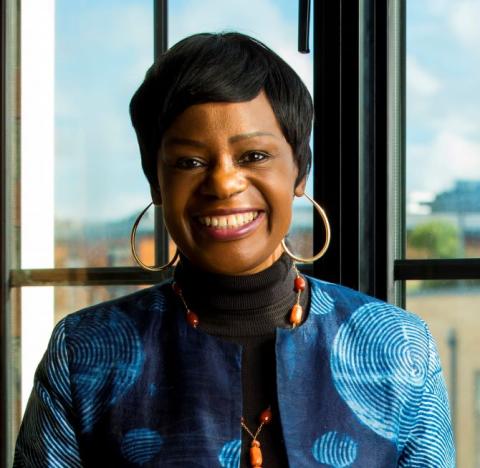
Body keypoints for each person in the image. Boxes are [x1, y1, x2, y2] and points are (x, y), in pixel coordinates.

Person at [14, 32, 454, 467]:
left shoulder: (396, 348)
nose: (223, 183)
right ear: (156, 182)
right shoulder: (86, 353)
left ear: (300, 171)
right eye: (190, 162)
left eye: (254, 156)